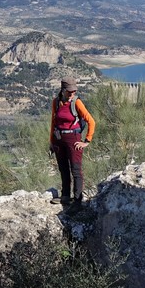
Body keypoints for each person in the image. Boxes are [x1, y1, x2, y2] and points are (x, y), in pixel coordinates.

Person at [49, 77, 95, 207]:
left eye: (74, 91)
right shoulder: (56, 102)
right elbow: (53, 122)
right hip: (59, 139)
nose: (72, 94)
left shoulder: (76, 103)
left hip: (73, 139)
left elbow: (91, 121)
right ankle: (65, 196)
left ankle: (77, 200)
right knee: (63, 169)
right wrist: (51, 141)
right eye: (69, 91)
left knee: (76, 170)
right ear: (62, 90)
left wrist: (87, 141)